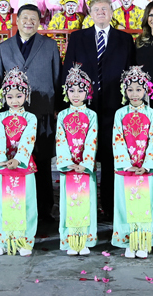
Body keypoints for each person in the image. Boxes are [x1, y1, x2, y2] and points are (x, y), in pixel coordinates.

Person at [62, 0, 136, 218]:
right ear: (90, 14)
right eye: (96, 9)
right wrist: (66, 103)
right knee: (84, 155)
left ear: (112, 12)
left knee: (112, 156)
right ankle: (84, 207)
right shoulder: (77, 38)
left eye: (105, 9)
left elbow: (132, 71)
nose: (101, 12)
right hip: (84, 107)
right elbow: (68, 70)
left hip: (115, 106)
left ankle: (110, 206)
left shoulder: (124, 39)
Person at [0, 4, 60, 223]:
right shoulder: (4, 47)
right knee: (15, 158)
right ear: (17, 20)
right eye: (25, 18)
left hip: (42, 111)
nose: (29, 22)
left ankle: (44, 208)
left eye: (34, 18)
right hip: (14, 116)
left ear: (39, 22)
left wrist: (56, 108)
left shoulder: (50, 46)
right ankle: (17, 205)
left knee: (41, 159)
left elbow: (57, 78)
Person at [111, 65, 153, 259]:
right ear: (124, 91)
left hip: (144, 167)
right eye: (130, 89)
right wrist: (126, 163)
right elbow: (118, 138)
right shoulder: (120, 113)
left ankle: (145, 240)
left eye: (139, 89)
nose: (134, 93)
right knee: (126, 204)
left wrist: (147, 164)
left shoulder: (151, 113)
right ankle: (129, 240)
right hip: (127, 167)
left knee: (145, 204)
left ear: (146, 90)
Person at [0, 67, 38, 257]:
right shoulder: (0, 117)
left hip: (23, 165)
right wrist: (3, 160)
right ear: (4, 98)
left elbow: (29, 138)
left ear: (26, 95)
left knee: (25, 204)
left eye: (19, 96)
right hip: (5, 166)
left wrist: (18, 159)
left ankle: (25, 241)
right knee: (3, 203)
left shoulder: (30, 117)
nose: (15, 101)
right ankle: (3, 241)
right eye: (10, 97)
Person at [56, 64, 98, 256]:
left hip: (84, 167)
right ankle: (71, 239)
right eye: (71, 90)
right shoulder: (62, 115)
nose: (75, 94)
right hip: (70, 166)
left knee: (86, 201)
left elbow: (92, 139)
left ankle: (86, 238)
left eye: (80, 90)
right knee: (69, 202)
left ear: (87, 92)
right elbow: (60, 139)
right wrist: (66, 162)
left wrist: (85, 163)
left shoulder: (92, 115)